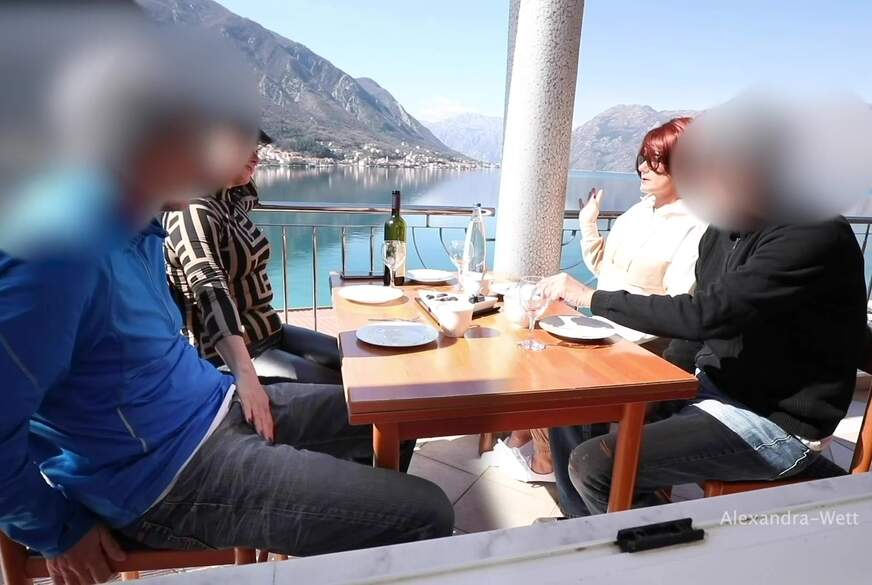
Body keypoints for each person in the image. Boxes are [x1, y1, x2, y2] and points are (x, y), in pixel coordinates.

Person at [0, 30, 452, 585]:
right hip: (168, 476)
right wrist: (56, 529)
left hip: (217, 404)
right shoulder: (56, 255)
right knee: (426, 513)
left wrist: (241, 381)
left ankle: (333, 541)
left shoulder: (140, 228)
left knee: (398, 414)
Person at [536, 214, 867, 516]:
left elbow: (706, 314)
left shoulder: (812, 230)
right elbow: (696, 334)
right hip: (713, 386)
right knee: (575, 400)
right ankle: (583, 529)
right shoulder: (724, 227)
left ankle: (672, 547)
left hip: (774, 423)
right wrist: (660, 389)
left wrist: (592, 298)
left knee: (596, 466)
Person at [497, 118, 706, 483]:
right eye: (642, 157)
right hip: (604, 329)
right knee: (527, 344)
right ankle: (531, 439)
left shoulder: (697, 225)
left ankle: (550, 462)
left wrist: (588, 298)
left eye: (655, 160)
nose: (643, 167)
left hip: (645, 343)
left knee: (555, 369)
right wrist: (588, 224)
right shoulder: (640, 211)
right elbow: (605, 268)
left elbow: (677, 307)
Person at [163, 131, 342, 404]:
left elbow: (247, 192)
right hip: (232, 353)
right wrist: (244, 373)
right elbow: (209, 287)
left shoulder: (228, 203)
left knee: (359, 365)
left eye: (256, 149)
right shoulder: (195, 211)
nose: (257, 157)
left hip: (270, 331)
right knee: (352, 395)